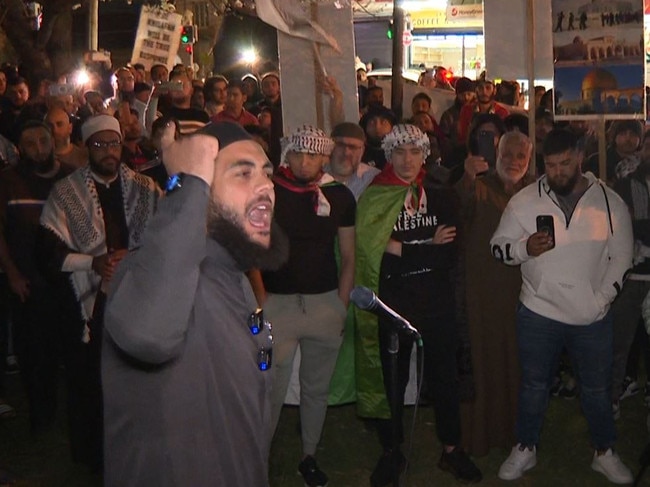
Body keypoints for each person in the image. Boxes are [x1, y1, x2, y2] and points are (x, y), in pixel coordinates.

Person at [102, 121, 288, 486]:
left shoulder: (236, 279)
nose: (266, 185)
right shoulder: (142, 272)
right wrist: (186, 186)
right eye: (243, 173)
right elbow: (149, 335)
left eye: (266, 173)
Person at [491, 129, 634, 484]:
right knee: (534, 384)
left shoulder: (609, 201)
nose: (557, 172)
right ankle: (525, 446)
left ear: (579, 158)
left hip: (591, 316)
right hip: (538, 311)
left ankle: (604, 450)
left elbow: (622, 257)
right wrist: (525, 249)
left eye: (565, 163)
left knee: (597, 388)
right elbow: (498, 246)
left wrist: (601, 299)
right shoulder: (525, 200)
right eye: (550, 165)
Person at [354, 124, 482, 486]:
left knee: (445, 378)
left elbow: (450, 252)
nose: (407, 160)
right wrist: (426, 246)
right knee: (393, 380)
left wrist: (402, 248)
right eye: (399, 153)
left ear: (424, 154)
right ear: (388, 155)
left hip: (437, 301)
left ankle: (452, 448)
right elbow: (373, 246)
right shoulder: (375, 196)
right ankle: (392, 451)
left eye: (414, 152)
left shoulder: (442, 195)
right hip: (394, 303)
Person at [37, 114, 160, 470]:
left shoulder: (147, 189)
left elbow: (165, 242)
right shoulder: (66, 191)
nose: (108, 151)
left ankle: (139, 452)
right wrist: (91, 263)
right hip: (89, 306)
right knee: (89, 383)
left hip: (137, 299)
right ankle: (94, 458)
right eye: (100, 144)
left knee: (138, 379)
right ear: (86, 147)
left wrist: (133, 258)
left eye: (114, 143)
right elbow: (47, 252)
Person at [263, 125, 355, 487]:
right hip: (277, 306)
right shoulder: (268, 190)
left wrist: (341, 303)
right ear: (286, 153)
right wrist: (261, 302)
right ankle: (257, 458)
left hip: (324, 305)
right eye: (298, 154)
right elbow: (253, 250)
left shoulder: (340, 196)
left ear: (324, 157)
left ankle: (309, 456)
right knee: (269, 386)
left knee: (316, 387)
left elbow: (348, 255)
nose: (304, 162)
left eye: (313, 155)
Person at [456, 131, 535, 456]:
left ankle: (516, 436)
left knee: (517, 363)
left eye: (521, 156)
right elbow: (455, 215)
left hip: (523, 294)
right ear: (496, 154)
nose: (514, 162)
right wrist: (465, 177)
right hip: (481, 295)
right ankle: (479, 435)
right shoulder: (478, 187)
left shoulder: (534, 192)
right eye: (507, 154)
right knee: (484, 360)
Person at [0, 121, 72, 434]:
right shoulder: (8, 181)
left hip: (68, 277)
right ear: (20, 148)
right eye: (31, 143)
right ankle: (41, 417)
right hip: (29, 282)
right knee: (35, 353)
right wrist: (13, 274)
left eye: (43, 141)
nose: (39, 148)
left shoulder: (70, 177)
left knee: (70, 350)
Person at [325, 122, 379, 200]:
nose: (346, 152)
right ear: (330, 147)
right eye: (340, 145)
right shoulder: (316, 176)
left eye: (353, 147)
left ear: (362, 150)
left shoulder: (374, 179)